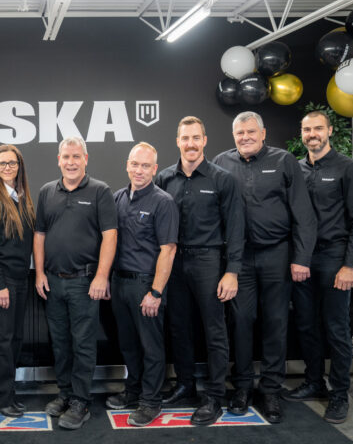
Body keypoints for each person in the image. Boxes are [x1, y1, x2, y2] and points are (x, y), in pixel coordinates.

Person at [213, 111, 316, 423]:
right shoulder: (221, 161)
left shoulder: (284, 161)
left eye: (251, 131)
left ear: (263, 132)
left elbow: (303, 212)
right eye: (240, 132)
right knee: (241, 323)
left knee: (275, 323)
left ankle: (270, 389)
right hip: (239, 259)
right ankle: (242, 387)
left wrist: (301, 258)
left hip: (277, 255)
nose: (245, 137)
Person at [155, 116, 244, 426]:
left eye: (196, 137)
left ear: (205, 140)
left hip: (209, 261)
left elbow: (235, 228)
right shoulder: (164, 178)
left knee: (214, 330)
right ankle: (185, 385)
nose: (190, 143)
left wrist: (232, 271)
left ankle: (215, 395)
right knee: (178, 327)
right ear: (177, 141)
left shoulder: (223, 179)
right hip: (174, 262)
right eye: (185, 138)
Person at [286, 110, 353, 424]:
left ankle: (338, 395)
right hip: (302, 260)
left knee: (336, 328)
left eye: (318, 128)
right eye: (307, 129)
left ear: (330, 131)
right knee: (306, 325)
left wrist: (350, 265)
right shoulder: (295, 169)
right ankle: (313, 382)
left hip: (334, 258)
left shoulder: (349, 169)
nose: (312, 134)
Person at [34, 136, 117, 430]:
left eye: (76, 157)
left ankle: (81, 401)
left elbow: (110, 235)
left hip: (85, 282)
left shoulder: (100, 191)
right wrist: (40, 273)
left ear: (86, 158)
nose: (71, 162)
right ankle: (66, 394)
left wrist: (101, 276)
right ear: (59, 159)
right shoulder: (47, 192)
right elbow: (40, 235)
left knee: (83, 344)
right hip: (53, 282)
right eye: (66, 157)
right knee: (60, 342)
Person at [107, 142, 178, 427]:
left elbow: (168, 250)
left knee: (150, 346)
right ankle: (133, 390)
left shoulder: (163, 202)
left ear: (155, 169)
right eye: (135, 164)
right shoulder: (117, 198)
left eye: (145, 165)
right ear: (127, 164)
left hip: (146, 285)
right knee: (128, 345)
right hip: (120, 284)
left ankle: (151, 401)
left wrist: (156, 291)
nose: (139, 170)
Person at [0, 145, 35, 418]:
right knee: (2, 341)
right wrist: (0, 284)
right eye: (2, 163)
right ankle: (0, 399)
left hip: (21, 279)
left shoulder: (22, 198)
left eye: (11, 163)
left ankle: (8, 394)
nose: (7, 168)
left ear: (19, 165)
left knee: (14, 339)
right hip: (3, 282)